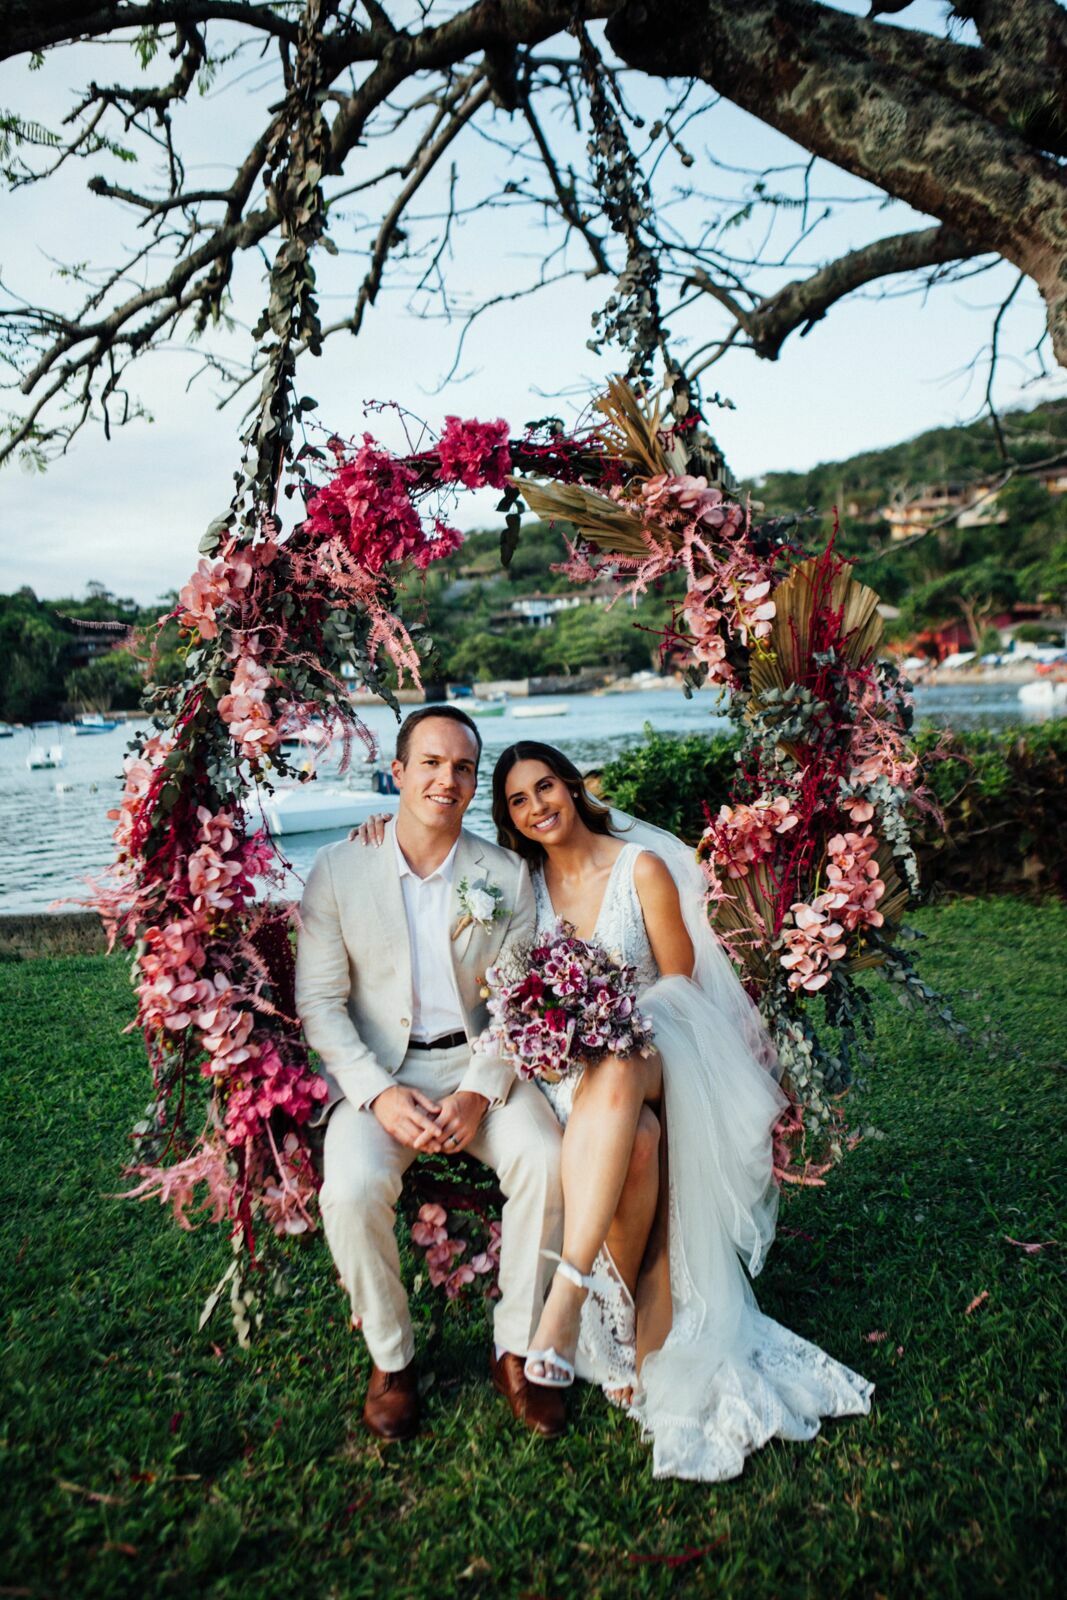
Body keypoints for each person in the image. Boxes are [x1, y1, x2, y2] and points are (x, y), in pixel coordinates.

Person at [355, 736, 873, 1480]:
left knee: (622, 1062)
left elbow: (680, 986)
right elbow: (447, 869)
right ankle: (622, 1322)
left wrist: (606, 1017)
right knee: (639, 1141)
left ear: (572, 786)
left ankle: (564, 1305)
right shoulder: (518, 883)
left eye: (545, 787)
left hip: (655, 1050)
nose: (536, 807)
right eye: (517, 801)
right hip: (564, 1075)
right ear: (509, 817)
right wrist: (382, 828)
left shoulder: (640, 868)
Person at [295, 707, 569, 1442]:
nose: (446, 780)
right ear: (397, 771)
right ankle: (392, 1361)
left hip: (480, 1060)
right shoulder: (338, 869)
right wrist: (378, 1094)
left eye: (462, 768)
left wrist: (479, 1090)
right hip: (380, 1071)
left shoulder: (505, 875)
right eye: (431, 763)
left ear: (474, 782)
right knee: (349, 1190)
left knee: (546, 1160)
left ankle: (516, 1350)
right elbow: (319, 1003)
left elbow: (517, 1000)